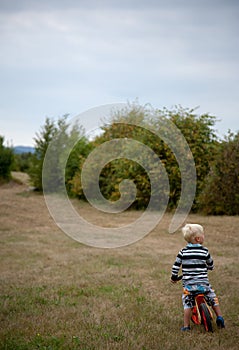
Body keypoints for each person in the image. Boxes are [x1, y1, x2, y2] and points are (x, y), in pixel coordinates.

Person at [171, 223, 225, 331]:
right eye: (203, 234)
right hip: (203, 285)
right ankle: (219, 316)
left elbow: (176, 265)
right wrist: (210, 267)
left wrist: (174, 277)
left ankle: (186, 326)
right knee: (212, 298)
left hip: (189, 286)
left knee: (188, 304)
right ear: (198, 238)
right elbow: (210, 263)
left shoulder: (183, 252)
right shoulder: (205, 251)